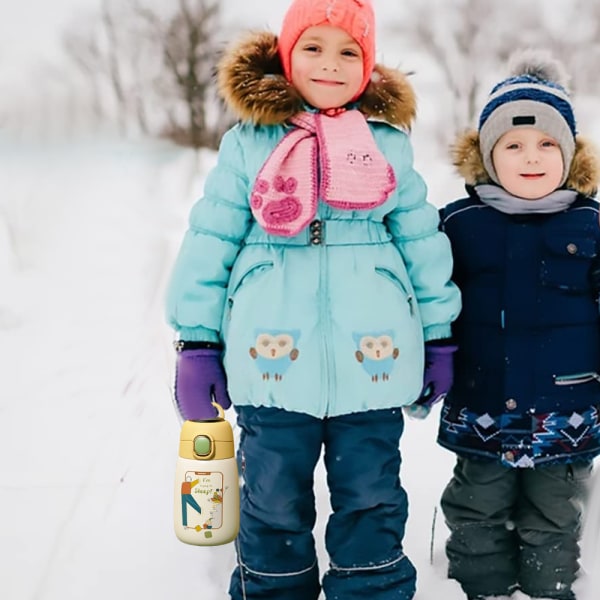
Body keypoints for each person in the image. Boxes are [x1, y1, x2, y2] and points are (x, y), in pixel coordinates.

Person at [165, 0, 461, 598]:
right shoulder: (249, 144)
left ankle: (370, 589)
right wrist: (197, 343)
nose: (331, 64)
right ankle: (274, 588)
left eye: (349, 51)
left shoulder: (386, 146)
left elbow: (422, 243)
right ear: (285, 56)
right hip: (271, 363)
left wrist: (439, 335)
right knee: (271, 498)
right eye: (314, 48)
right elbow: (211, 241)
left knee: (372, 496)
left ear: (368, 65)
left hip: (371, 365)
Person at [432, 50, 600, 600]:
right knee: (476, 507)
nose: (531, 157)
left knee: (553, 514)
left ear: (569, 154)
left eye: (547, 144)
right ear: (487, 155)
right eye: (513, 145)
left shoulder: (592, 224)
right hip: (483, 401)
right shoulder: (458, 226)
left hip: (567, 410)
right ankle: (479, 589)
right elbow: (429, 300)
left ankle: (547, 589)